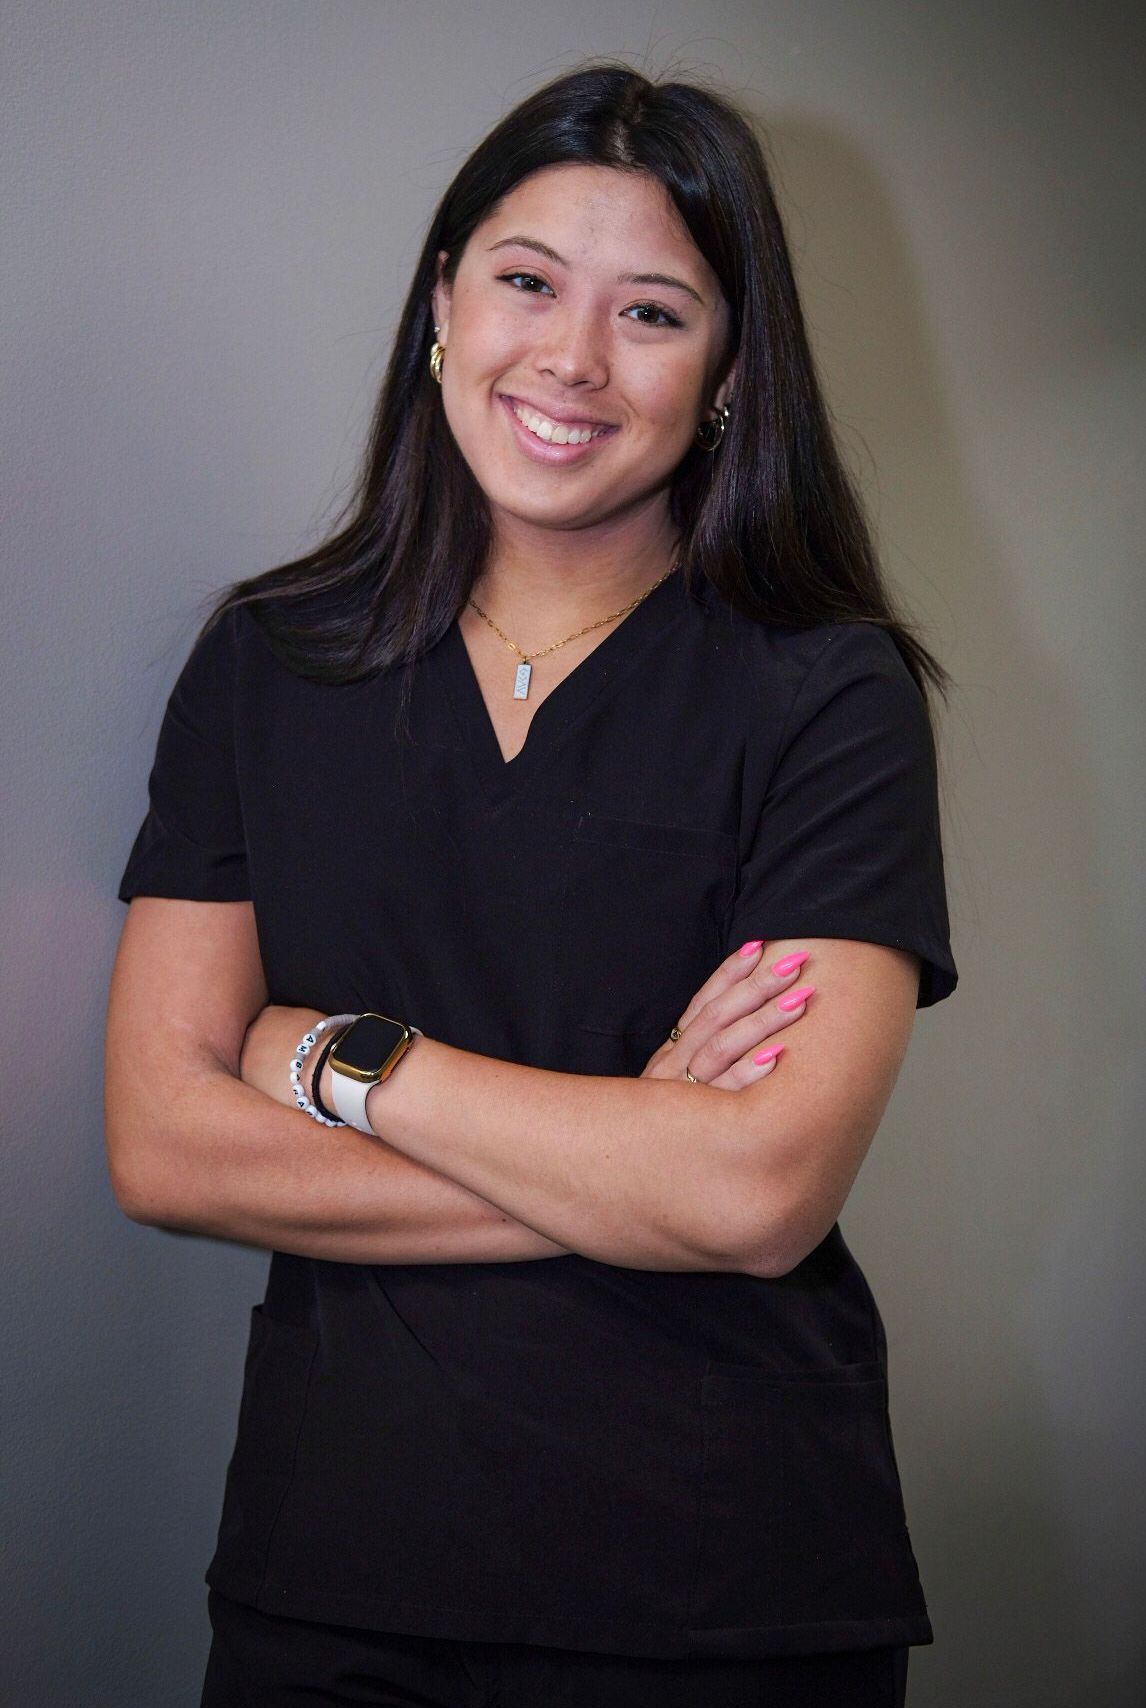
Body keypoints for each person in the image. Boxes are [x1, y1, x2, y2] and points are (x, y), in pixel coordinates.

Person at [104, 61, 957, 1708]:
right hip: (331, 1573)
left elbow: (757, 1195)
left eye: (652, 312)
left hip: (722, 1582)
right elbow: (162, 1144)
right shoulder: (269, 663)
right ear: (442, 300)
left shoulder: (826, 692)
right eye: (523, 283)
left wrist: (332, 1059)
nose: (569, 359)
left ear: (724, 371)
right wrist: (628, 1159)